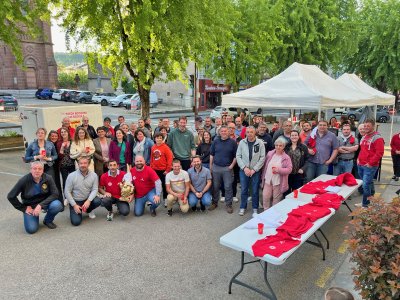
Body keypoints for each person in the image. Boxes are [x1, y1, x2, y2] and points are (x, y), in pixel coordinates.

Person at [7, 161, 63, 234]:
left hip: (44, 203)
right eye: (35, 168)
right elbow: (10, 196)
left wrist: (40, 205)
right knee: (31, 229)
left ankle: (47, 220)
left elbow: (55, 194)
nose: (37, 171)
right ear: (31, 170)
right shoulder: (24, 180)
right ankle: (33, 216)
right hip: (30, 205)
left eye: (40, 169)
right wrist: (23, 208)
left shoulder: (48, 178)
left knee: (57, 205)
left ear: (42, 170)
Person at [236, 126, 266, 216]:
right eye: (248, 132)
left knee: (255, 190)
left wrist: (254, 169)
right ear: (246, 133)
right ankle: (242, 207)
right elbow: (238, 156)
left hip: (255, 171)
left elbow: (262, 157)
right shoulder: (242, 142)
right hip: (244, 170)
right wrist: (244, 168)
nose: (249, 134)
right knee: (244, 189)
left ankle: (255, 208)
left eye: (251, 132)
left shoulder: (260, 143)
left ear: (255, 133)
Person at [65, 157, 102, 225]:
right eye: (81, 163)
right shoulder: (71, 176)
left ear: (88, 164)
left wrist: (88, 200)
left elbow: (95, 189)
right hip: (76, 201)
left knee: (98, 201)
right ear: (78, 164)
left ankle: (88, 210)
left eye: (85, 163)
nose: (83, 165)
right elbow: (67, 192)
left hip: (86, 200)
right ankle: (78, 209)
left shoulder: (94, 175)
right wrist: (74, 205)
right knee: (76, 222)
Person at [209, 125, 238, 213]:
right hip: (216, 167)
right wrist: (211, 166)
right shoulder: (215, 141)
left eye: (225, 131)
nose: (224, 132)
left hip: (227, 168)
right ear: (219, 132)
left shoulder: (232, 142)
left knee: (228, 187)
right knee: (215, 186)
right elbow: (211, 154)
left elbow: (236, 156)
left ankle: (228, 204)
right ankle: (214, 202)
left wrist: (232, 165)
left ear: (228, 132)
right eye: (222, 131)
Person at [356, 119, 384, 208]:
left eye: (368, 126)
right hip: (361, 164)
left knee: (365, 185)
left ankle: (365, 204)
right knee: (369, 182)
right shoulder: (365, 136)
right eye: (365, 126)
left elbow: (379, 153)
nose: (366, 128)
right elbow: (362, 150)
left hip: (369, 166)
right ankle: (371, 199)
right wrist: (358, 159)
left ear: (373, 126)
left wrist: (371, 163)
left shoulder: (377, 138)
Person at [261, 137, 293, 210]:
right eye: (277, 145)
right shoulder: (270, 154)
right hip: (268, 180)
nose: (278, 147)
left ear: (284, 147)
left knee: (276, 199)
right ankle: (266, 212)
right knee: (265, 196)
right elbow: (265, 166)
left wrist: (279, 170)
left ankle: (274, 213)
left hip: (278, 182)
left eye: (280, 145)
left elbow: (289, 169)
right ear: (274, 145)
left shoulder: (286, 157)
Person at [150, 132, 173, 204]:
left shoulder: (165, 147)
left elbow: (170, 158)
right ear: (155, 139)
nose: (159, 139)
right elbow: (152, 158)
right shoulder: (153, 147)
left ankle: (165, 198)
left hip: (163, 170)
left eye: (160, 138)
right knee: (154, 184)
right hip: (155, 169)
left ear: (162, 139)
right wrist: (151, 166)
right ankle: (153, 197)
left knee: (164, 184)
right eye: (157, 138)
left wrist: (168, 169)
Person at [284, 130, 308, 194]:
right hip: (287, 174)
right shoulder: (286, 147)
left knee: (296, 192)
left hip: (298, 174)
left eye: (295, 135)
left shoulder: (303, 147)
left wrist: (303, 169)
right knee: (287, 192)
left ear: (298, 136)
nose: (294, 137)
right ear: (290, 137)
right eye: (292, 135)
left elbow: (307, 160)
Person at [56, 127, 76, 204]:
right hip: (63, 164)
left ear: (68, 133)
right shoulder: (59, 143)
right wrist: (62, 147)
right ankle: (66, 197)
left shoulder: (72, 142)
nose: (63, 133)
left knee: (73, 181)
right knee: (65, 180)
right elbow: (60, 156)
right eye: (62, 132)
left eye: (65, 132)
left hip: (72, 164)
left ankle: (73, 196)